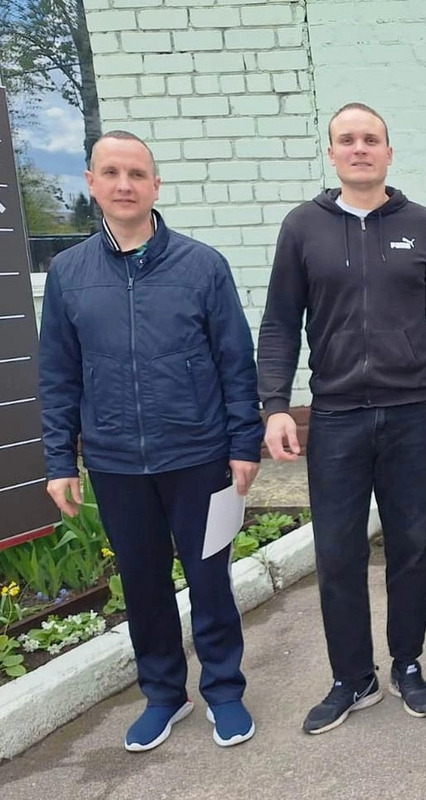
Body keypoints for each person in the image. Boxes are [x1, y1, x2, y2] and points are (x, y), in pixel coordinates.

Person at [39, 130, 263, 752]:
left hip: (199, 456)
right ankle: (165, 695)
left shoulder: (202, 266)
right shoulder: (68, 273)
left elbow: (235, 363)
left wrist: (244, 445)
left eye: (137, 174)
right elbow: (58, 374)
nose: (124, 185)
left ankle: (224, 690)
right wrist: (60, 460)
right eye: (111, 173)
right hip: (115, 462)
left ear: (156, 185)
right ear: (91, 183)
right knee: (142, 585)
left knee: (210, 580)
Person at [257, 102, 426, 735]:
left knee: (412, 547)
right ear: (332, 154)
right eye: (347, 140)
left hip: (414, 414)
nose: (359, 149)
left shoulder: (423, 226)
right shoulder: (303, 228)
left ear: (389, 153)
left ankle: (407, 664)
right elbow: (278, 323)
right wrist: (274, 405)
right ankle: (353, 677)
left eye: (371, 139)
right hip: (337, 417)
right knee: (338, 551)